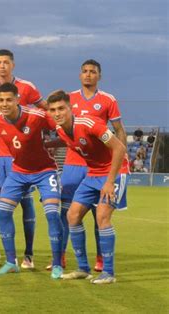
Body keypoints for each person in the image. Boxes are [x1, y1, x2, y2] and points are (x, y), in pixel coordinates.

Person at [0, 83, 63, 278]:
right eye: (1, 100)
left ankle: (58, 263)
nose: (5, 104)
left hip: (45, 171)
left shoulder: (37, 116)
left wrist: (50, 144)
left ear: (18, 99)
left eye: (9, 99)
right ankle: (11, 262)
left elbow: (64, 132)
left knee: (52, 214)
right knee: (2, 212)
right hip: (18, 171)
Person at [47, 90, 128, 284]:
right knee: (72, 216)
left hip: (114, 172)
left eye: (61, 108)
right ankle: (83, 268)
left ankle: (108, 272)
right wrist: (45, 146)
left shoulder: (90, 124)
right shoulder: (60, 130)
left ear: (70, 108)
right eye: (53, 110)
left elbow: (120, 148)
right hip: (92, 173)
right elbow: (69, 141)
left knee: (102, 217)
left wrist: (109, 182)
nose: (57, 113)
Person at [0, 49, 47, 268]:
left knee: (26, 202)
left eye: (6, 62)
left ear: (13, 65)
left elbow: (44, 110)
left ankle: (28, 255)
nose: (3, 66)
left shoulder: (27, 87)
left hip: (19, 155)